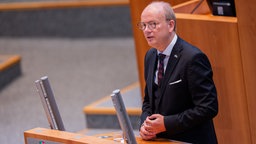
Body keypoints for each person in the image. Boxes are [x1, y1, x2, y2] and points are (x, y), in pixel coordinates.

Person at [137, 1, 218, 144]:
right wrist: (145, 124)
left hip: (190, 140)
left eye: (152, 24)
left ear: (170, 25)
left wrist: (166, 123)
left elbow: (208, 108)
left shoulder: (192, 58)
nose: (146, 30)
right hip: (161, 140)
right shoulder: (150, 56)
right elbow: (149, 100)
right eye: (143, 25)